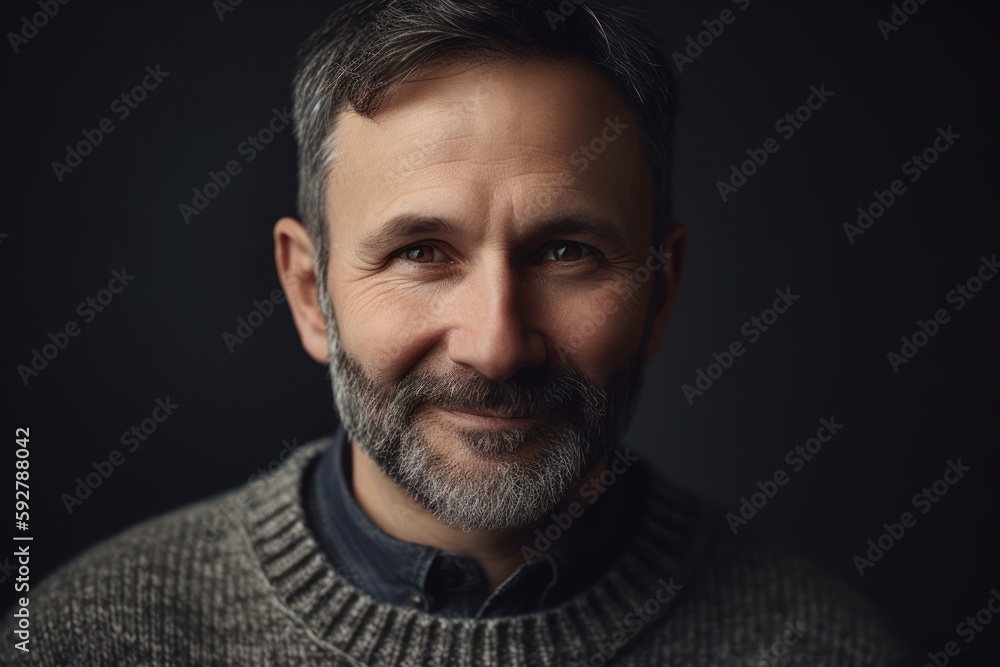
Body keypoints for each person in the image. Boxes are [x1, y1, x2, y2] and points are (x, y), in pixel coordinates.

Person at [2, 1, 914, 664]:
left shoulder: (820, 646)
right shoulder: (94, 636)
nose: (496, 343)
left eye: (565, 250)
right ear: (311, 293)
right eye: (422, 252)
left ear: (660, 291)